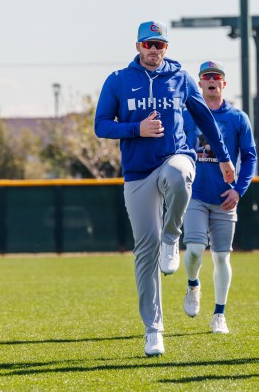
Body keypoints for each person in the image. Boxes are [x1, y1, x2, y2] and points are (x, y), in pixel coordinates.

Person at [95, 20, 235, 357]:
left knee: (177, 175)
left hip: (176, 157)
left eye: (159, 45)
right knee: (144, 254)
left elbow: (206, 121)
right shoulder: (118, 80)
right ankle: (153, 330)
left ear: (166, 48)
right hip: (138, 173)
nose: (154, 50)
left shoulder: (181, 78)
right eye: (148, 44)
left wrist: (225, 159)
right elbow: (101, 125)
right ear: (138, 46)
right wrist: (136, 129)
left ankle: (172, 237)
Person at [181, 60, 257, 334]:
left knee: (222, 257)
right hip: (195, 195)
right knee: (194, 249)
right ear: (199, 83)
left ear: (224, 84)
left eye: (217, 77)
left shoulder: (238, 118)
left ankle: (219, 314)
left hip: (225, 197)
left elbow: (249, 157)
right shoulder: (188, 114)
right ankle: (193, 284)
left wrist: (239, 190)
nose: (212, 80)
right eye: (206, 77)